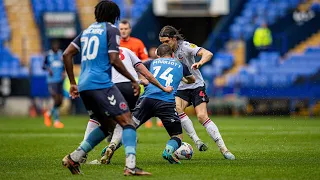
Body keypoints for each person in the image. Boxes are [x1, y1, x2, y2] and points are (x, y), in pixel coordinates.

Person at [61, 1, 151, 176]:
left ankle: (74, 157)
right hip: (101, 83)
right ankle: (130, 167)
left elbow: (67, 54)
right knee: (128, 122)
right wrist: (133, 79)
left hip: (84, 85)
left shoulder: (86, 32)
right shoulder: (111, 30)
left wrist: (73, 82)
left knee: (107, 125)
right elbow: (114, 59)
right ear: (114, 17)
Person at [100, 44, 196, 165]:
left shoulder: (151, 63)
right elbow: (192, 80)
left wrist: (142, 80)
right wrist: (183, 79)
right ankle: (168, 151)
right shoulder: (181, 65)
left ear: (158, 55)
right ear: (172, 55)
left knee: (129, 127)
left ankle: (111, 147)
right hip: (166, 102)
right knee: (177, 135)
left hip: (146, 100)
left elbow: (135, 69)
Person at [159, 25, 235, 160]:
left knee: (201, 116)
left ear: (174, 39)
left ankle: (224, 149)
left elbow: (208, 53)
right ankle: (197, 141)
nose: (165, 45)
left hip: (196, 86)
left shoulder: (186, 47)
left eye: (166, 42)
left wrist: (200, 63)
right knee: (177, 109)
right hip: (181, 89)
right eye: (162, 43)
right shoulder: (164, 53)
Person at [82, 46, 173, 147]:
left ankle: (83, 148)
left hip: (111, 87)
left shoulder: (101, 53)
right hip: (130, 87)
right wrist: (163, 88)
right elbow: (147, 74)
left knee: (97, 118)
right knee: (125, 118)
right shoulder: (127, 50)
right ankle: (114, 145)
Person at [42, 40, 65, 128]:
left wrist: (63, 72)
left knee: (60, 101)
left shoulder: (61, 54)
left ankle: (48, 114)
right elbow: (43, 65)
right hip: (51, 81)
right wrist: (49, 69)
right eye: (54, 46)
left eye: (57, 46)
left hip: (60, 80)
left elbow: (64, 65)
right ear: (51, 47)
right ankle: (56, 121)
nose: (56, 47)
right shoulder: (48, 55)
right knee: (55, 99)